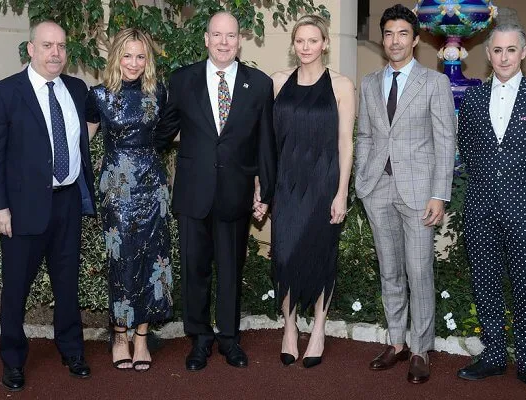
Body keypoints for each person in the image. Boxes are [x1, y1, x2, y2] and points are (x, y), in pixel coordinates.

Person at [0, 20, 96, 391]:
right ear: (30, 49)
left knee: (67, 284)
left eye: (61, 46)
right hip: (22, 209)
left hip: (67, 204)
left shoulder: (77, 89)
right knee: (16, 289)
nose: (55, 53)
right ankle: (13, 361)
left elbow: (85, 131)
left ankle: (72, 350)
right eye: (47, 46)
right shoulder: (4, 93)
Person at [155, 11, 276, 371]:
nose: (224, 42)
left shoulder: (259, 83)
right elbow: (163, 131)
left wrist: (265, 190)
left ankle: (228, 339)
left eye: (231, 36)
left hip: (235, 195)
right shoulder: (182, 80)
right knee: (194, 271)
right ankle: (200, 339)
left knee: (230, 270)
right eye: (217, 35)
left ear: (240, 41)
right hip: (193, 194)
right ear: (205, 39)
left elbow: (265, 143)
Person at [456, 23, 526, 397]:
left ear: (524, 52)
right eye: (497, 50)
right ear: (488, 55)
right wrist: (490, 180)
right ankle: (493, 355)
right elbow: (468, 149)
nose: (503, 57)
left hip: (525, 206)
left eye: (510, 50)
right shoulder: (472, 100)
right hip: (481, 205)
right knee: (485, 281)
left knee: (525, 285)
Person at [355, 4, 456, 384]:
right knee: (390, 270)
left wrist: (439, 195)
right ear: (383, 40)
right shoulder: (368, 83)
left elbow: (446, 143)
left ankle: (420, 349)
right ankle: (396, 342)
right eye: (388, 34)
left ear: (415, 39)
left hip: (418, 193)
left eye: (402, 34)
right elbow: (364, 134)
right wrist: (363, 181)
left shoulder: (434, 83)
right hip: (378, 189)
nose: (395, 41)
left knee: (418, 271)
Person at [85, 28, 173, 372]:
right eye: (127, 55)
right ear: (116, 57)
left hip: (153, 188)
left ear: (147, 59)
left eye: (140, 56)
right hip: (117, 190)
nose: (134, 63)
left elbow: (172, 135)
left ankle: (141, 337)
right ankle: (119, 335)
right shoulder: (99, 96)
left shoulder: (159, 93)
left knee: (154, 258)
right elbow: (83, 142)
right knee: (121, 263)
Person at [270, 15, 355, 368]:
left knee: (321, 257)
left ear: (325, 43)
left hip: (323, 185)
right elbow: (266, 142)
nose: (306, 47)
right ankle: (289, 328)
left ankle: (318, 328)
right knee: (284, 256)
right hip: (286, 185)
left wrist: (341, 193)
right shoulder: (276, 83)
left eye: (312, 40)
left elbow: (346, 143)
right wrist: (262, 185)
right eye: (300, 41)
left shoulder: (341, 85)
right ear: (293, 45)